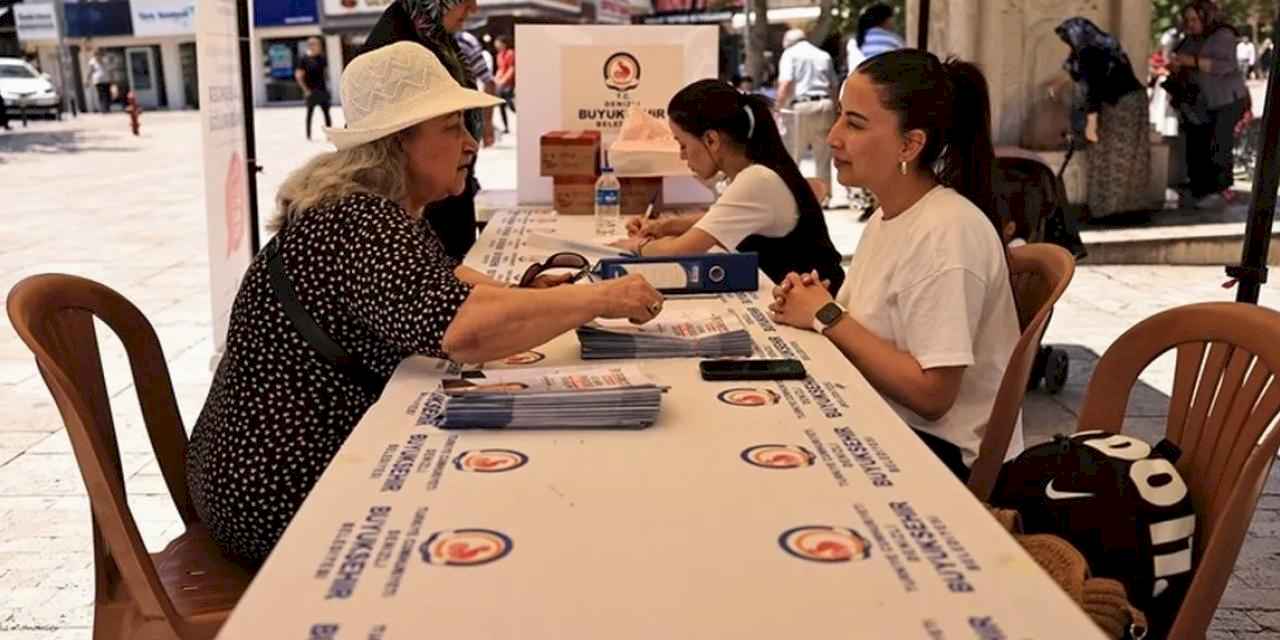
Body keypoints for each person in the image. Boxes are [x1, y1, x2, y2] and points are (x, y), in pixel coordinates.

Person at [186, 42, 665, 567]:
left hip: (242, 473)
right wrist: (599, 297)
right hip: (278, 494)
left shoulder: (368, 210)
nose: (470, 143)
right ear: (398, 142)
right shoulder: (361, 223)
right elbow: (464, 330)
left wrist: (530, 300)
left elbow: (453, 285)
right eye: (452, 127)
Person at [768, 50, 1022, 480]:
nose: (833, 137)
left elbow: (932, 393)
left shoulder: (947, 231)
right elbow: (862, 327)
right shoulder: (890, 216)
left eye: (855, 123)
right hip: (889, 423)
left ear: (910, 144)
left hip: (939, 455)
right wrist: (812, 304)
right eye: (839, 116)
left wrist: (826, 315)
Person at [614, 79, 845, 294]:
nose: (682, 156)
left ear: (711, 140)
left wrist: (636, 246)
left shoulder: (757, 180)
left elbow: (679, 252)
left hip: (819, 312)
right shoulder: (760, 168)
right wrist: (665, 227)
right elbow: (720, 217)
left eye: (683, 145)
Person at [361, 0, 493, 262]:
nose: (474, 8)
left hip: (443, 193)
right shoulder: (399, 51)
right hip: (423, 198)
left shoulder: (436, 38)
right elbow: (442, 295)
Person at [1054, 17, 1150, 218]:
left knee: (1115, 156)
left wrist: (1091, 122)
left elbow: (1094, 88)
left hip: (1123, 105)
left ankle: (1114, 210)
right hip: (1125, 102)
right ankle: (1119, 209)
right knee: (1114, 155)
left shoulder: (1092, 53)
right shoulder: (1101, 46)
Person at [1169, 1, 1248, 209]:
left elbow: (1226, 65)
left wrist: (1191, 61)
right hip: (1200, 103)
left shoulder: (1223, 35)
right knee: (1199, 144)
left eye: (1195, 19)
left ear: (1207, 17)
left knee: (1219, 144)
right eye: (1187, 20)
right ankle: (1201, 187)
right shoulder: (1190, 39)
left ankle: (1220, 190)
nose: (1191, 24)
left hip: (1226, 100)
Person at [775, 28, 836, 202]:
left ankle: (792, 197)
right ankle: (824, 198)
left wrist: (777, 107)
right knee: (823, 156)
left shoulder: (790, 54)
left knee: (794, 154)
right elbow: (833, 86)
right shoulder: (823, 55)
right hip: (825, 105)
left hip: (800, 107)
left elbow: (786, 83)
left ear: (789, 42)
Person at [294, 37, 331, 140]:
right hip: (310, 92)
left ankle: (329, 136)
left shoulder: (322, 58)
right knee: (310, 114)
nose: (318, 46)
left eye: (318, 44)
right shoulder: (304, 59)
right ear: (310, 46)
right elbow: (298, 75)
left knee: (327, 114)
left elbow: (325, 73)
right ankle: (308, 135)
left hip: (322, 90)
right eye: (315, 44)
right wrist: (305, 90)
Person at [494, 35, 515, 134]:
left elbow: (511, 69)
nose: (496, 45)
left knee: (511, 104)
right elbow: (500, 69)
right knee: (502, 105)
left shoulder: (510, 53)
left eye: (498, 42)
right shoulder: (499, 55)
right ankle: (506, 127)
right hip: (502, 84)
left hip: (509, 84)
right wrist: (496, 79)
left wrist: (504, 80)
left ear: (503, 43)